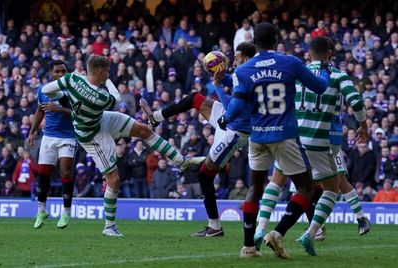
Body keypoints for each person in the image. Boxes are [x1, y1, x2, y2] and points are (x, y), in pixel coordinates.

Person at [41, 55, 205, 236]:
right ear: (101, 72)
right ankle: (109, 226)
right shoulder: (100, 97)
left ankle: (181, 161)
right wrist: (109, 81)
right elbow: (116, 98)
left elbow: (46, 89)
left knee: (144, 130)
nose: (108, 74)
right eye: (107, 72)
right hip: (92, 135)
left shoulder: (73, 78)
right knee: (114, 179)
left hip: (99, 120)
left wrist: (65, 97)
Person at [218, 23, 331, 257]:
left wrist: (225, 118)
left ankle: (248, 247)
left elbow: (237, 104)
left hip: (257, 136)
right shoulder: (290, 62)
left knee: (255, 189)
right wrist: (325, 68)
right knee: (306, 188)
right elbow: (320, 87)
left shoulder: (244, 70)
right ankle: (277, 233)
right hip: (285, 136)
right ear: (277, 40)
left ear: (254, 42)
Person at [255, 36, 369, 256]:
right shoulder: (337, 75)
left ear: (309, 54)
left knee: (277, 180)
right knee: (332, 189)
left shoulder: (298, 72)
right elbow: (356, 101)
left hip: (293, 138)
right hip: (319, 141)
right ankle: (311, 233)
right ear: (330, 54)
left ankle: (260, 229)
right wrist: (363, 125)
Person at [140, 42, 256, 237]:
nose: (233, 62)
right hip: (229, 120)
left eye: (235, 58)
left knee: (204, 175)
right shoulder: (245, 73)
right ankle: (156, 117)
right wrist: (220, 78)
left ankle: (214, 226)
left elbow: (233, 108)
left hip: (234, 130)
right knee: (195, 98)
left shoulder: (245, 74)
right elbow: (232, 85)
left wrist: (218, 86)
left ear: (244, 58)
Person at [29, 60, 76, 229]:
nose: (61, 74)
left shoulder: (73, 91)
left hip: (68, 137)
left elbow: (78, 113)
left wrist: (59, 110)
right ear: (51, 74)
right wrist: (32, 132)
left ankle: (66, 211)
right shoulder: (44, 90)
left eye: (64, 71)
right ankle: (41, 210)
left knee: (65, 171)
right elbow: (40, 111)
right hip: (48, 136)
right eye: (58, 71)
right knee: (43, 174)